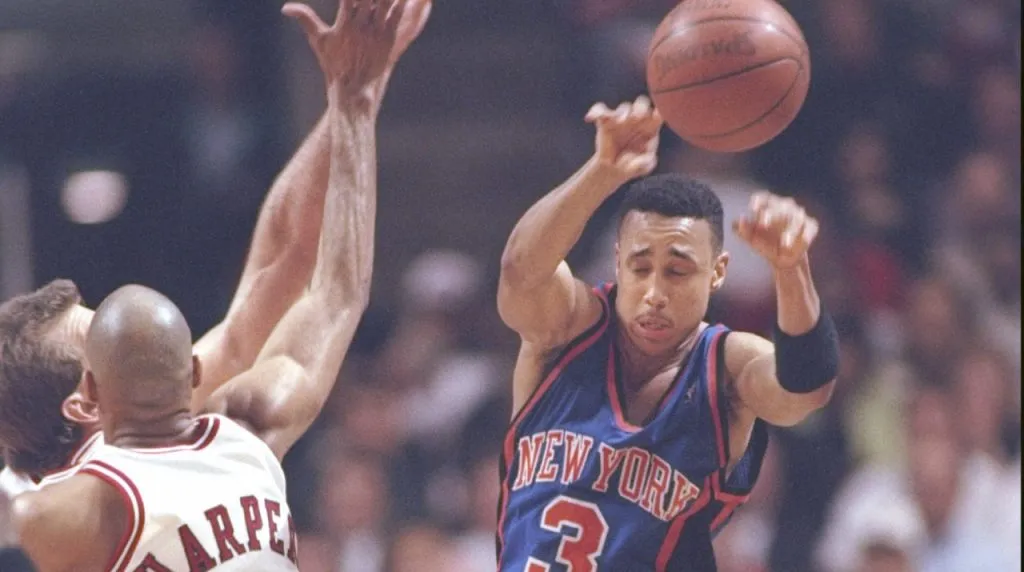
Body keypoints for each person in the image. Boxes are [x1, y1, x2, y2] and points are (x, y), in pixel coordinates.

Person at [8, 0, 426, 569]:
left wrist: (352, 94)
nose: (131, 336)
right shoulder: (53, 516)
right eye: (102, 337)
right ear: (87, 399)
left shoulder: (233, 432)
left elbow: (292, 264)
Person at [495, 97, 840, 570]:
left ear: (717, 273)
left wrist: (791, 269)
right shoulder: (568, 330)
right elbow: (520, 271)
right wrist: (602, 172)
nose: (654, 292)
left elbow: (806, 389)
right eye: (640, 268)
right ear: (617, 260)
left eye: (677, 272)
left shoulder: (726, 366)